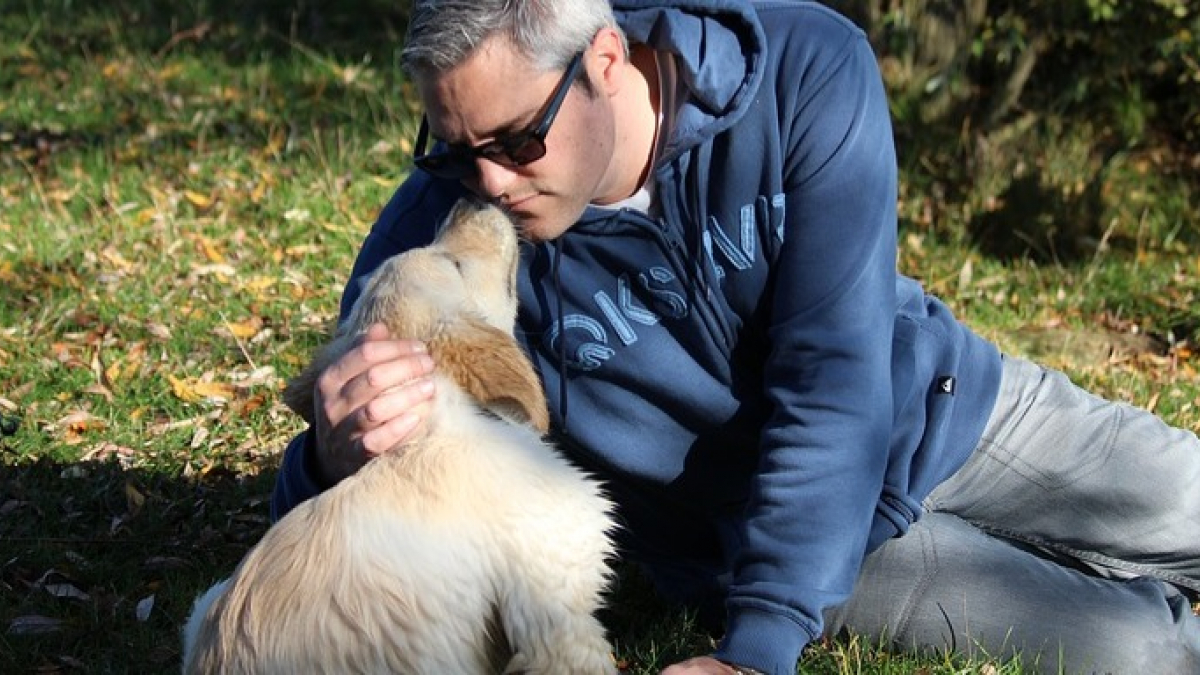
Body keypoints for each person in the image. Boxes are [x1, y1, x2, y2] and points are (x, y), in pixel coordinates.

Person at [270, 1, 1200, 673]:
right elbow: (319, 517)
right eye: (451, 147)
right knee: (1147, 650)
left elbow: (834, 382)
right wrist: (327, 450)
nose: (488, 185)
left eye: (515, 141)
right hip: (762, 540)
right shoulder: (444, 234)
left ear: (604, 57)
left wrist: (753, 657)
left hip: (942, 407)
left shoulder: (804, 68)